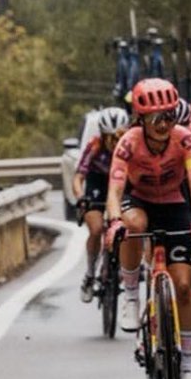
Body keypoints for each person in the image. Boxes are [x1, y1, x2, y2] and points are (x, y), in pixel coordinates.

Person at [104, 79, 191, 379]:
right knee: (132, 223)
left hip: (175, 206)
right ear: (140, 119)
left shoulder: (187, 140)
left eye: (168, 116)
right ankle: (132, 295)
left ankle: (188, 366)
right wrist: (113, 222)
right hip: (140, 203)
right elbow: (115, 189)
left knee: (182, 287)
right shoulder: (128, 143)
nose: (163, 124)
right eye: (155, 118)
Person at [73, 106, 129, 302]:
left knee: (128, 225)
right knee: (96, 229)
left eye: (119, 136)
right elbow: (78, 177)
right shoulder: (94, 146)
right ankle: (89, 274)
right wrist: (81, 197)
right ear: (103, 135)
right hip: (98, 184)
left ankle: (123, 265)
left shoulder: (131, 145)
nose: (114, 141)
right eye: (110, 137)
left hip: (121, 184)